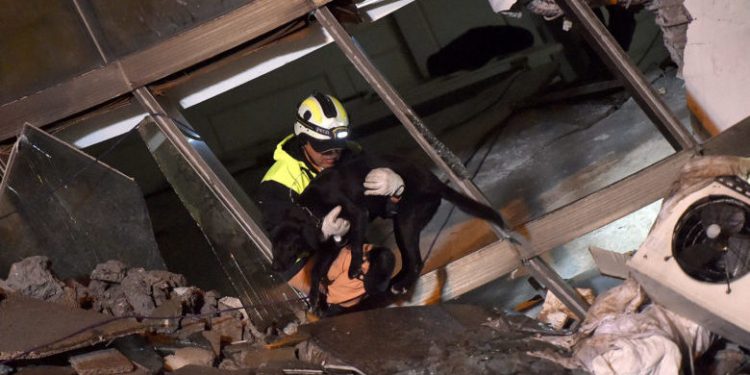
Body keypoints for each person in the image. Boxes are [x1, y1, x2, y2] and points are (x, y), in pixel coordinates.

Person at [257, 92, 405, 314]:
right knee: (361, 272)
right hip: (304, 258)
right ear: (303, 140)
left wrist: (396, 192)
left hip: (342, 246)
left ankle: (345, 304)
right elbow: (281, 241)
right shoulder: (278, 181)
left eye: (337, 145)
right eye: (323, 146)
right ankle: (328, 310)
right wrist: (319, 231)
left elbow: (381, 210)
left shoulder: (352, 157)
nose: (332, 154)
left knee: (378, 264)